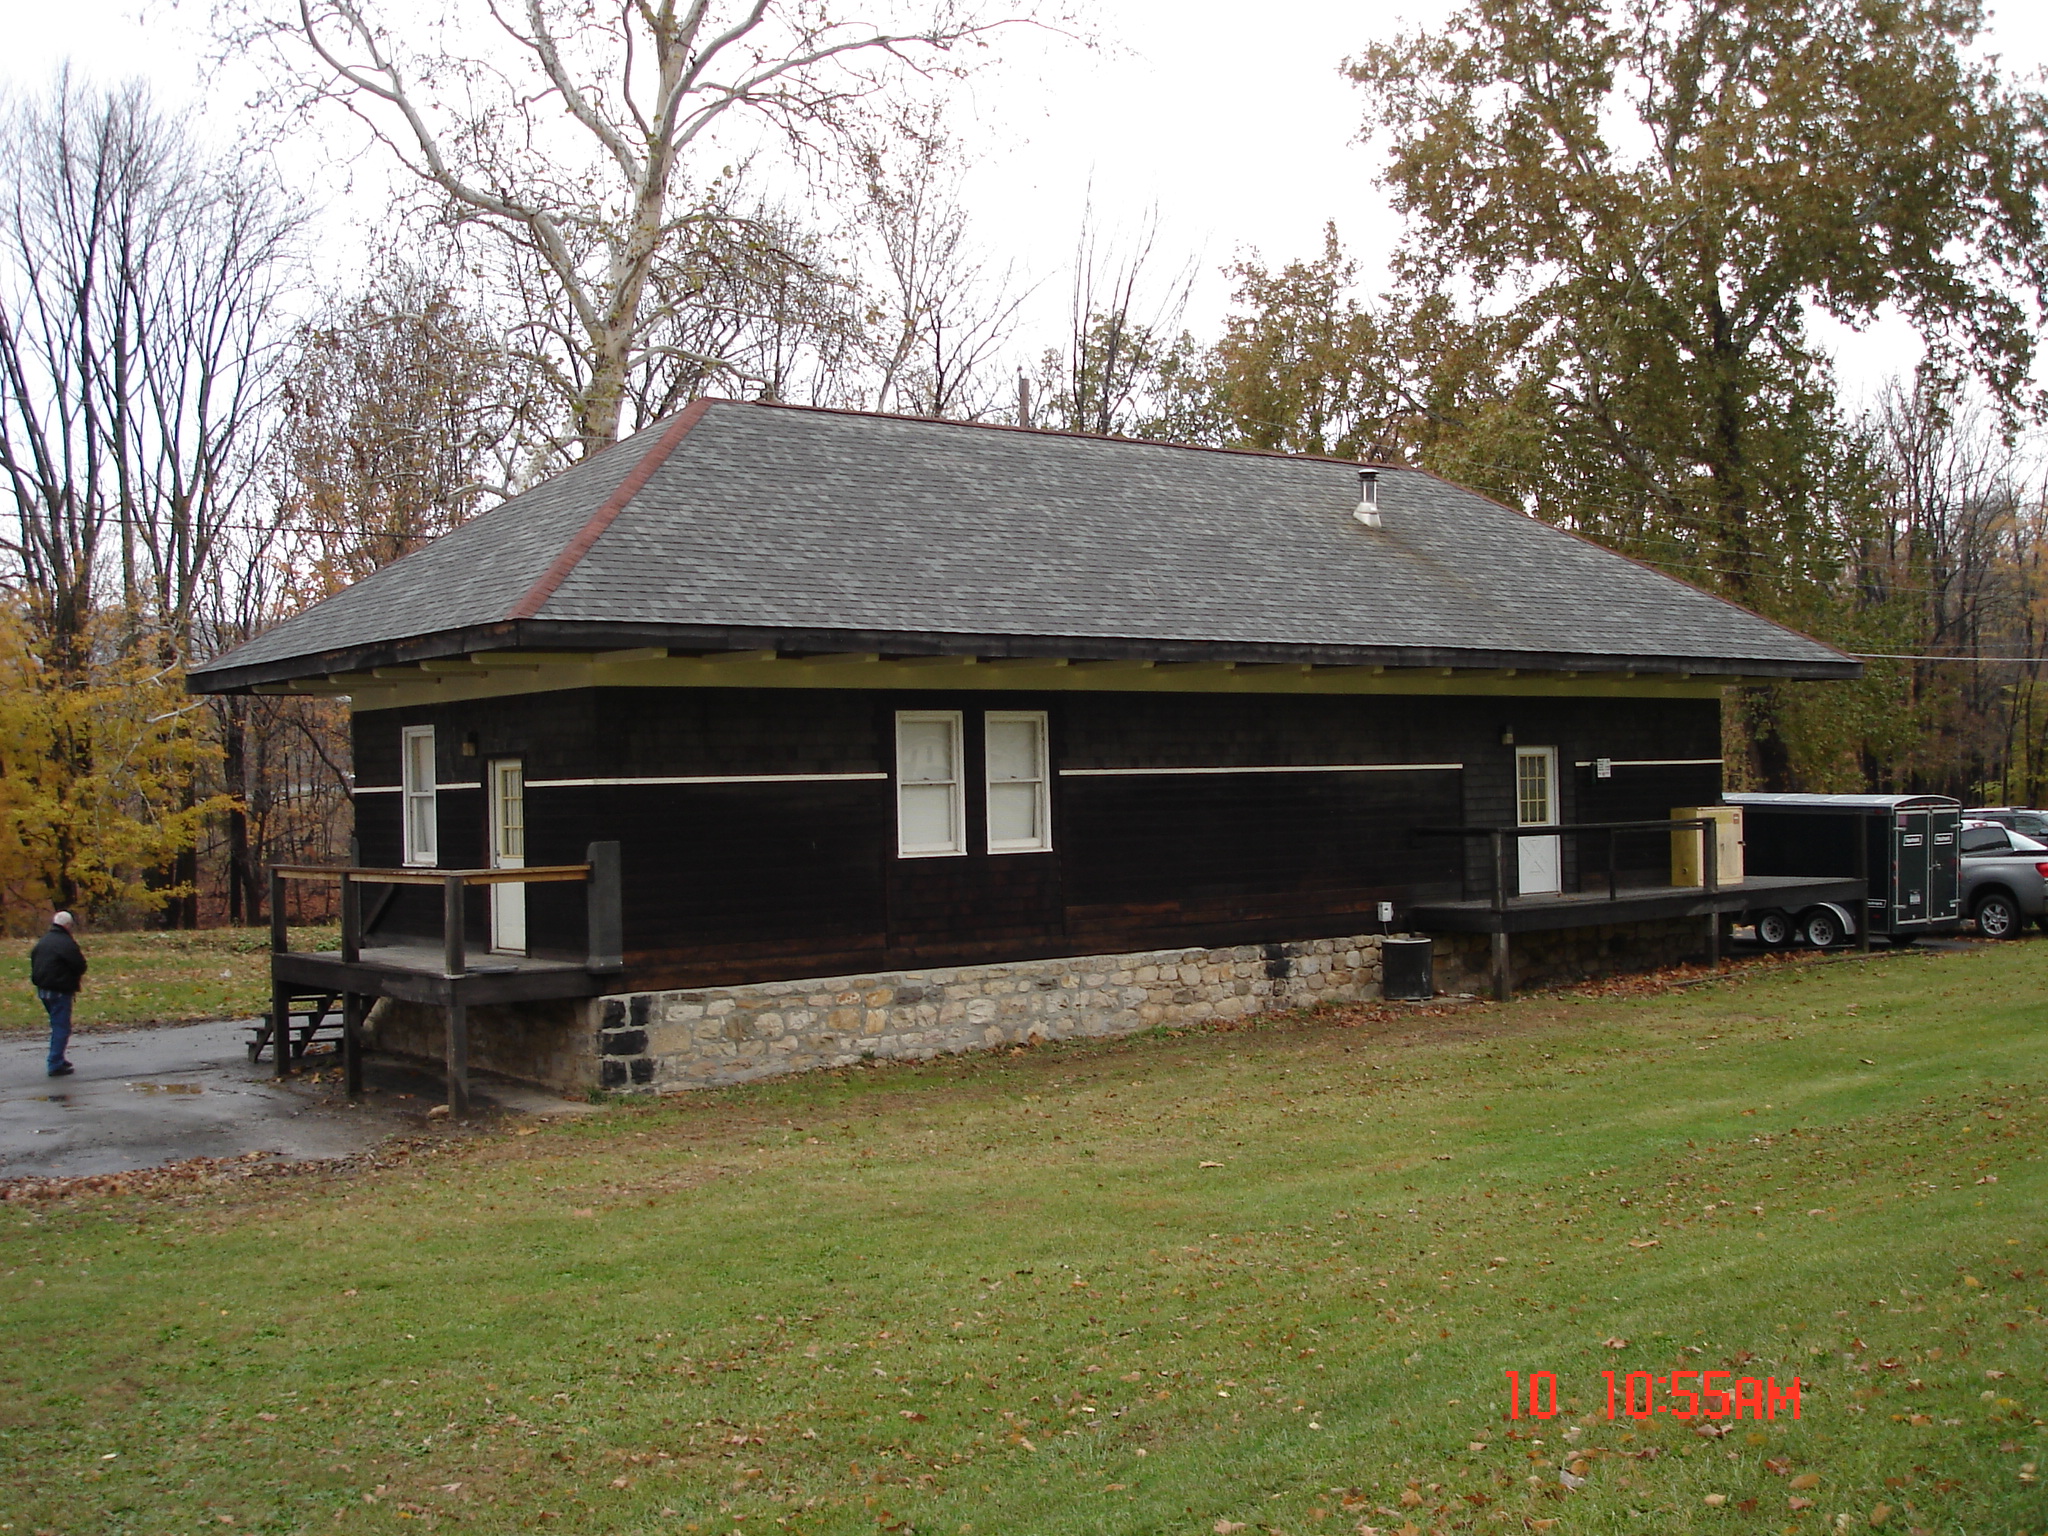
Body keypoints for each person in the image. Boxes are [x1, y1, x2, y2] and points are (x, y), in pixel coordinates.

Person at [30, 910, 86, 1078]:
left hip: (43, 989)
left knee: (57, 1024)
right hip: (60, 990)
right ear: (68, 926)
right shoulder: (66, 943)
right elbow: (80, 964)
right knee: (61, 1027)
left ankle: (59, 1058)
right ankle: (55, 1063)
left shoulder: (43, 942)